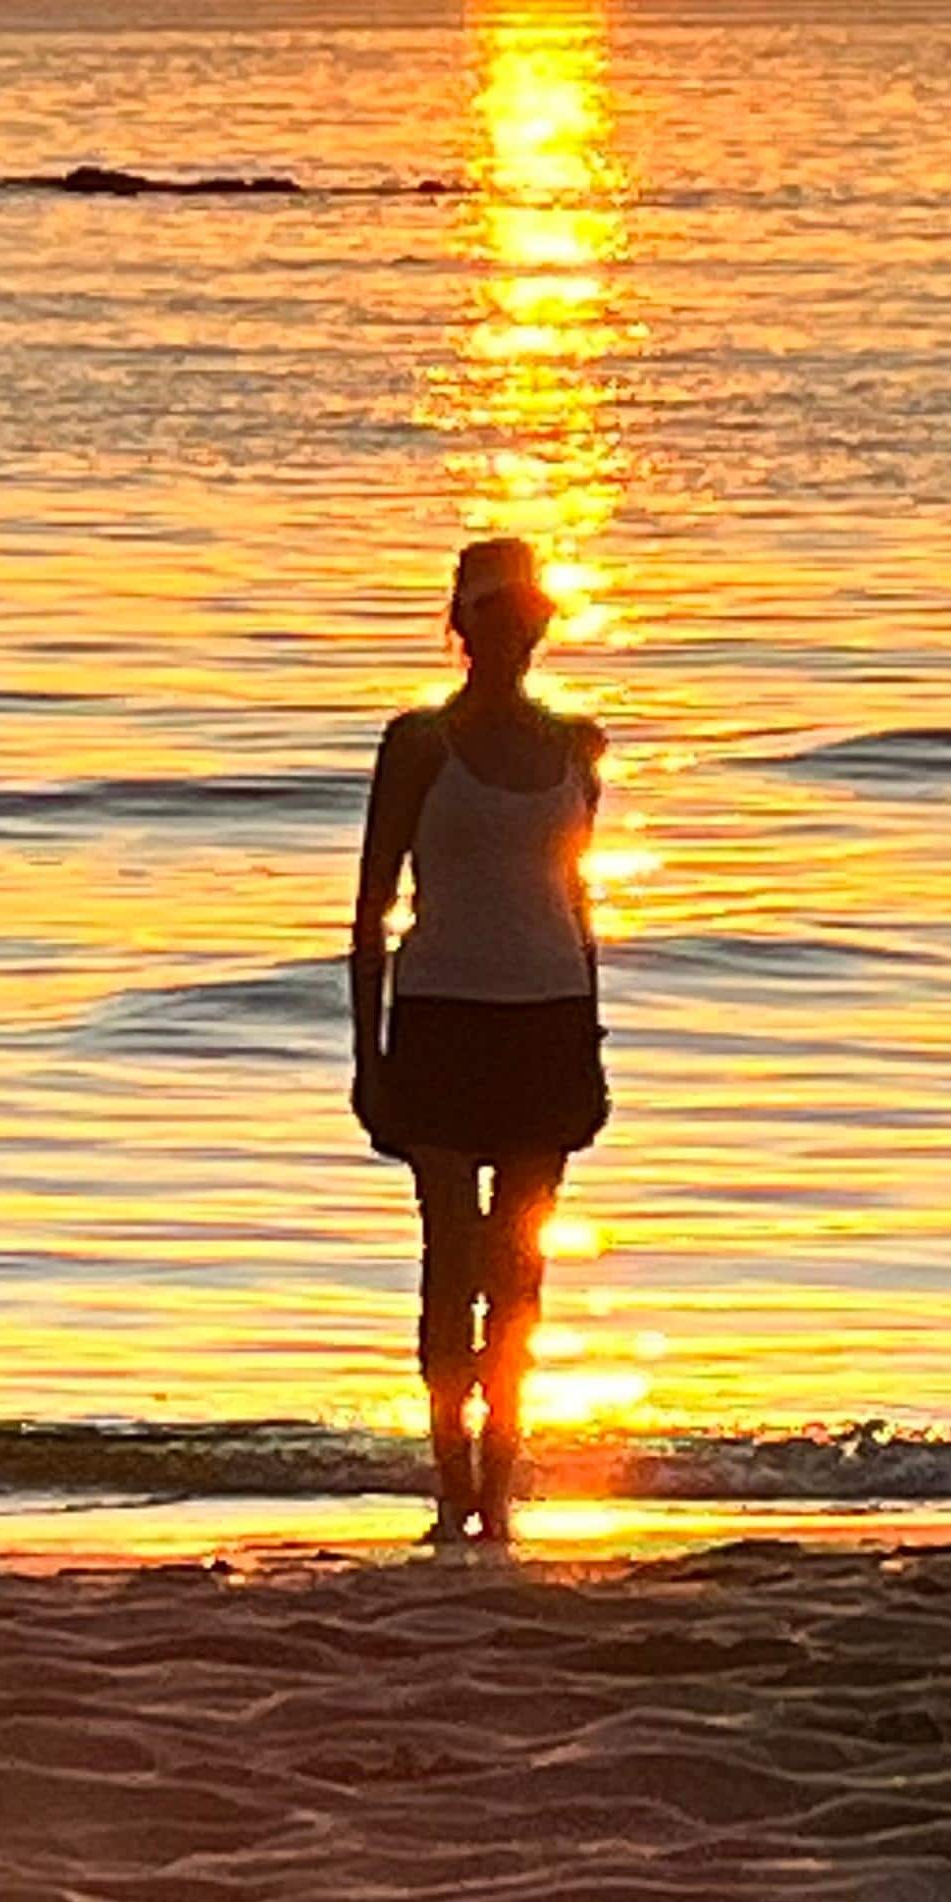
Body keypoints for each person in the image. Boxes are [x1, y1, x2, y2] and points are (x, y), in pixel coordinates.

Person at [350, 534, 608, 1545]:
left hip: (544, 1020)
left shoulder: (578, 747)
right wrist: (366, 1058)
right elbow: (371, 909)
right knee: (448, 1258)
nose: (514, 635)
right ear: (462, 626)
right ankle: (448, 1480)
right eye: (493, 617)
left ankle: (500, 1481)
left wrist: (591, 1035)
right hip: (443, 1017)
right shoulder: (418, 744)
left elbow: (578, 899)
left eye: (526, 617)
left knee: (521, 1268)